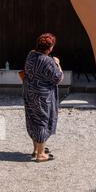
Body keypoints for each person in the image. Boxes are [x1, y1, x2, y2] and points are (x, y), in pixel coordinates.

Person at [23, 33, 63, 162]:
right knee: (42, 121)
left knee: (33, 118)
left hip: (29, 92)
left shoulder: (31, 55)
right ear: (50, 48)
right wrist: (57, 64)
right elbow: (58, 78)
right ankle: (41, 154)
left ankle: (36, 150)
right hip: (43, 96)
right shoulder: (48, 61)